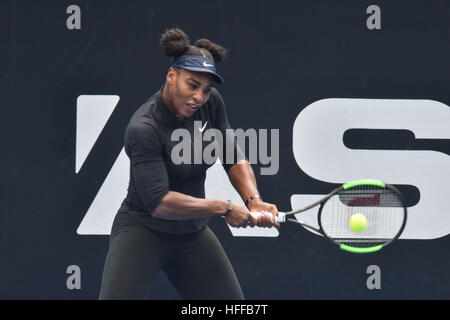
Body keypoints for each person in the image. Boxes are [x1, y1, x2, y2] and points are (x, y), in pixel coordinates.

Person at [99, 28, 279, 300]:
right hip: (141, 232)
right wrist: (224, 207)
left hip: (191, 236)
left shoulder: (210, 104)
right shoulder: (144, 128)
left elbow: (231, 153)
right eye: (192, 85)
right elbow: (159, 202)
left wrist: (253, 199)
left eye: (206, 90)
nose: (199, 97)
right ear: (172, 76)